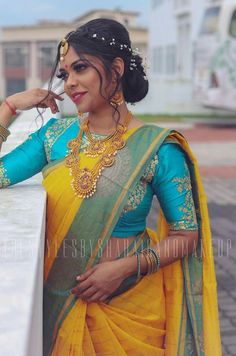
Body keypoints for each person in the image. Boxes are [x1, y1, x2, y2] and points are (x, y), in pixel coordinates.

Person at [0, 18, 221, 355]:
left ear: (116, 68)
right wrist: (10, 106)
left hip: (134, 310)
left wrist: (124, 268)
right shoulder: (54, 138)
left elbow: (186, 236)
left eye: (81, 68)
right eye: (64, 73)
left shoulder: (158, 148)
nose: (70, 83)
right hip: (61, 307)